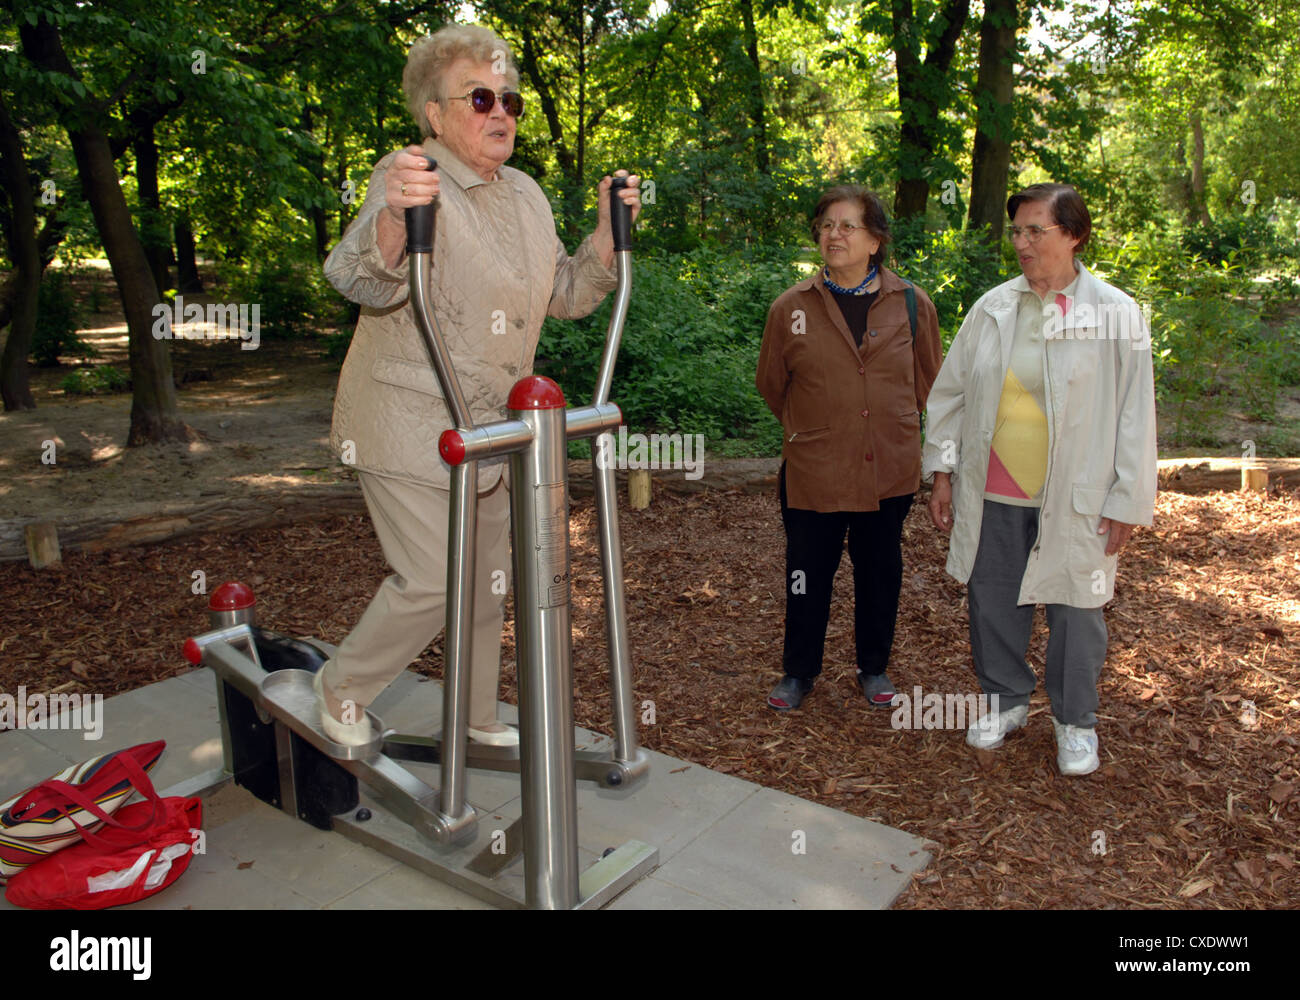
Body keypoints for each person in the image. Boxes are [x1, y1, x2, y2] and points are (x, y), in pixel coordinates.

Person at [319, 24, 641, 747]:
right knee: (436, 579)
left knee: (487, 583)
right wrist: (398, 221)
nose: (502, 113)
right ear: (435, 113)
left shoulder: (524, 194)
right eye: (481, 98)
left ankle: (475, 716)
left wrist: (602, 235)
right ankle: (340, 687)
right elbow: (358, 277)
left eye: (513, 101)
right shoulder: (412, 177)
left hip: (495, 429)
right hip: (407, 420)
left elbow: (562, 292)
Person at [922, 183, 1156, 776]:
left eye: (1036, 231)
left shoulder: (1115, 313)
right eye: (1017, 232)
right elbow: (949, 396)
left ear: (1073, 235)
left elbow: (1135, 414)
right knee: (993, 600)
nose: (1022, 244)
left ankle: (1075, 723)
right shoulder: (994, 307)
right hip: (994, 489)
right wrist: (943, 472)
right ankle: (1005, 702)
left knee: (1078, 612)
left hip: (1077, 497)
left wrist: (1128, 497)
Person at [756, 186, 943, 712]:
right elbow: (772, 383)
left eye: (846, 226)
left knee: (880, 570)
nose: (833, 234)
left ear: (876, 240)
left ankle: (874, 667)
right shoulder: (792, 308)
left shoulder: (911, 303)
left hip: (889, 468)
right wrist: (818, 427)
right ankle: (798, 673)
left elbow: (932, 383)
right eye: (826, 225)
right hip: (815, 470)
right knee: (805, 574)